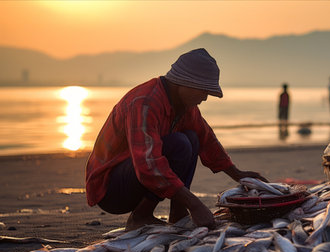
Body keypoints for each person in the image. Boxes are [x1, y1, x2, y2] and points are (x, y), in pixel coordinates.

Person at [85, 48, 266, 231]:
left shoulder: (184, 106)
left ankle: (177, 214)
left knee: (192, 138)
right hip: (110, 190)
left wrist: (238, 174)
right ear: (185, 83)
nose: (204, 98)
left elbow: (207, 140)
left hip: (135, 176)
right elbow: (148, 165)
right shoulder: (145, 103)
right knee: (179, 144)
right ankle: (140, 217)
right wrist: (194, 204)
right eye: (203, 90)